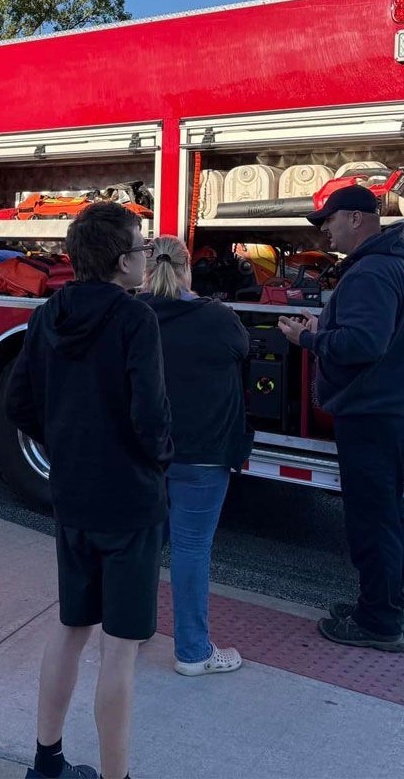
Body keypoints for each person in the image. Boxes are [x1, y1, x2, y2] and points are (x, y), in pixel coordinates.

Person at [7, 202, 173, 779]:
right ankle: (115, 775)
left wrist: (66, 446)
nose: (148, 255)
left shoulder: (47, 314)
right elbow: (150, 415)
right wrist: (159, 461)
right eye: (142, 246)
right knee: (122, 646)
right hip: (129, 501)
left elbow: (18, 404)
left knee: (71, 626)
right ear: (121, 260)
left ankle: (45, 762)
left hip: (72, 496)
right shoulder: (135, 320)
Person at [278, 186, 404, 653]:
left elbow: (364, 345)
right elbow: (371, 335)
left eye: (329, 219)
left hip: (372, 416)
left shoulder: (370, 273)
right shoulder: (391, 266)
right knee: (385, 515)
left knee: (372, 519)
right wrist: (326, 328)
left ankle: (379, 622)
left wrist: (308, 341)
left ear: (356, 219)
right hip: (390, 413)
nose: (325, 228)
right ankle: (377, 606)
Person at [137, 236, 249, 676]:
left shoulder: (136, 313)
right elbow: (241, 352)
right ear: (188, 268)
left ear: (145, 269)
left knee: (148, 541)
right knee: (191, 548)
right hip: (204, 451)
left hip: (149, 450)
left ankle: (137, 626)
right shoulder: (218, 318)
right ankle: (193, 651)